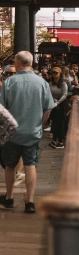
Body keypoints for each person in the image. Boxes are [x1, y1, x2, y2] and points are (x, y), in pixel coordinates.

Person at [0, 51, 54, 213]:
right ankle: (30, 201)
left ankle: (9, 197)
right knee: (31, 165)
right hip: (33, 131)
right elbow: (48, 109)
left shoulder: (9, 82)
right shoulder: (42, 83)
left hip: (12, 132)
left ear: (17, 63)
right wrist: (41, 124)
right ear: (31, 63)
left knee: (10, 166)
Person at [48, 67, 68, 149]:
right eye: (53, 73)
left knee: (60, 123)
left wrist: (58, 102)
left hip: (61, 104)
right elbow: (49, 93)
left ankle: (60, 141)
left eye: (56, 73)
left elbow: (65, 94)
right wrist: (53, 100)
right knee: (54, 122)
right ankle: (54, 139)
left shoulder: (63, 83)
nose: (55, 74)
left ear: (60, 74)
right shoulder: (50, 84)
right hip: (53, 103)